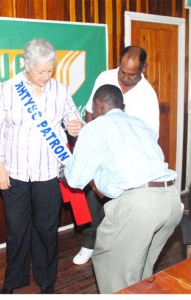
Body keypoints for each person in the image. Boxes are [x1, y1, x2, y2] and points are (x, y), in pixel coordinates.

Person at [62, 84, 183, 293]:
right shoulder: (141, 124)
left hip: (139, 206)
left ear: (98, 104)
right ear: (121, 105)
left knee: (111, 267)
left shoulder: (95, 127)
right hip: (171, 200)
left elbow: (75, 179)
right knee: (140, 272)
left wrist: (64, 170)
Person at [0, 38, 84, 294]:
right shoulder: (9, 89)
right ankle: (14, 279)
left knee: (46, 229)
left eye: (50, 70)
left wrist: (76, 125)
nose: (46, 76)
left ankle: (46, 280)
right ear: (26, 65)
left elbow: (74, 117)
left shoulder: (60, 90)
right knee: (17, 229)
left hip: (47, 172)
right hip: (14, 172)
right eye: (40, 70)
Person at [73, 45, 160, 265]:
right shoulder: (105, 76)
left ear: (143, 69)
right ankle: (90, 242)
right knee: (93, 199)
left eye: (131, 74)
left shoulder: (148, 96)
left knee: (120, 205)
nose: (124, 77)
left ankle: (116, 246)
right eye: (122, 71)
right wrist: (92, 140)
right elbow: (92, 109)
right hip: (100, 152)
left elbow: (151, 136)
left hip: (126, 163)